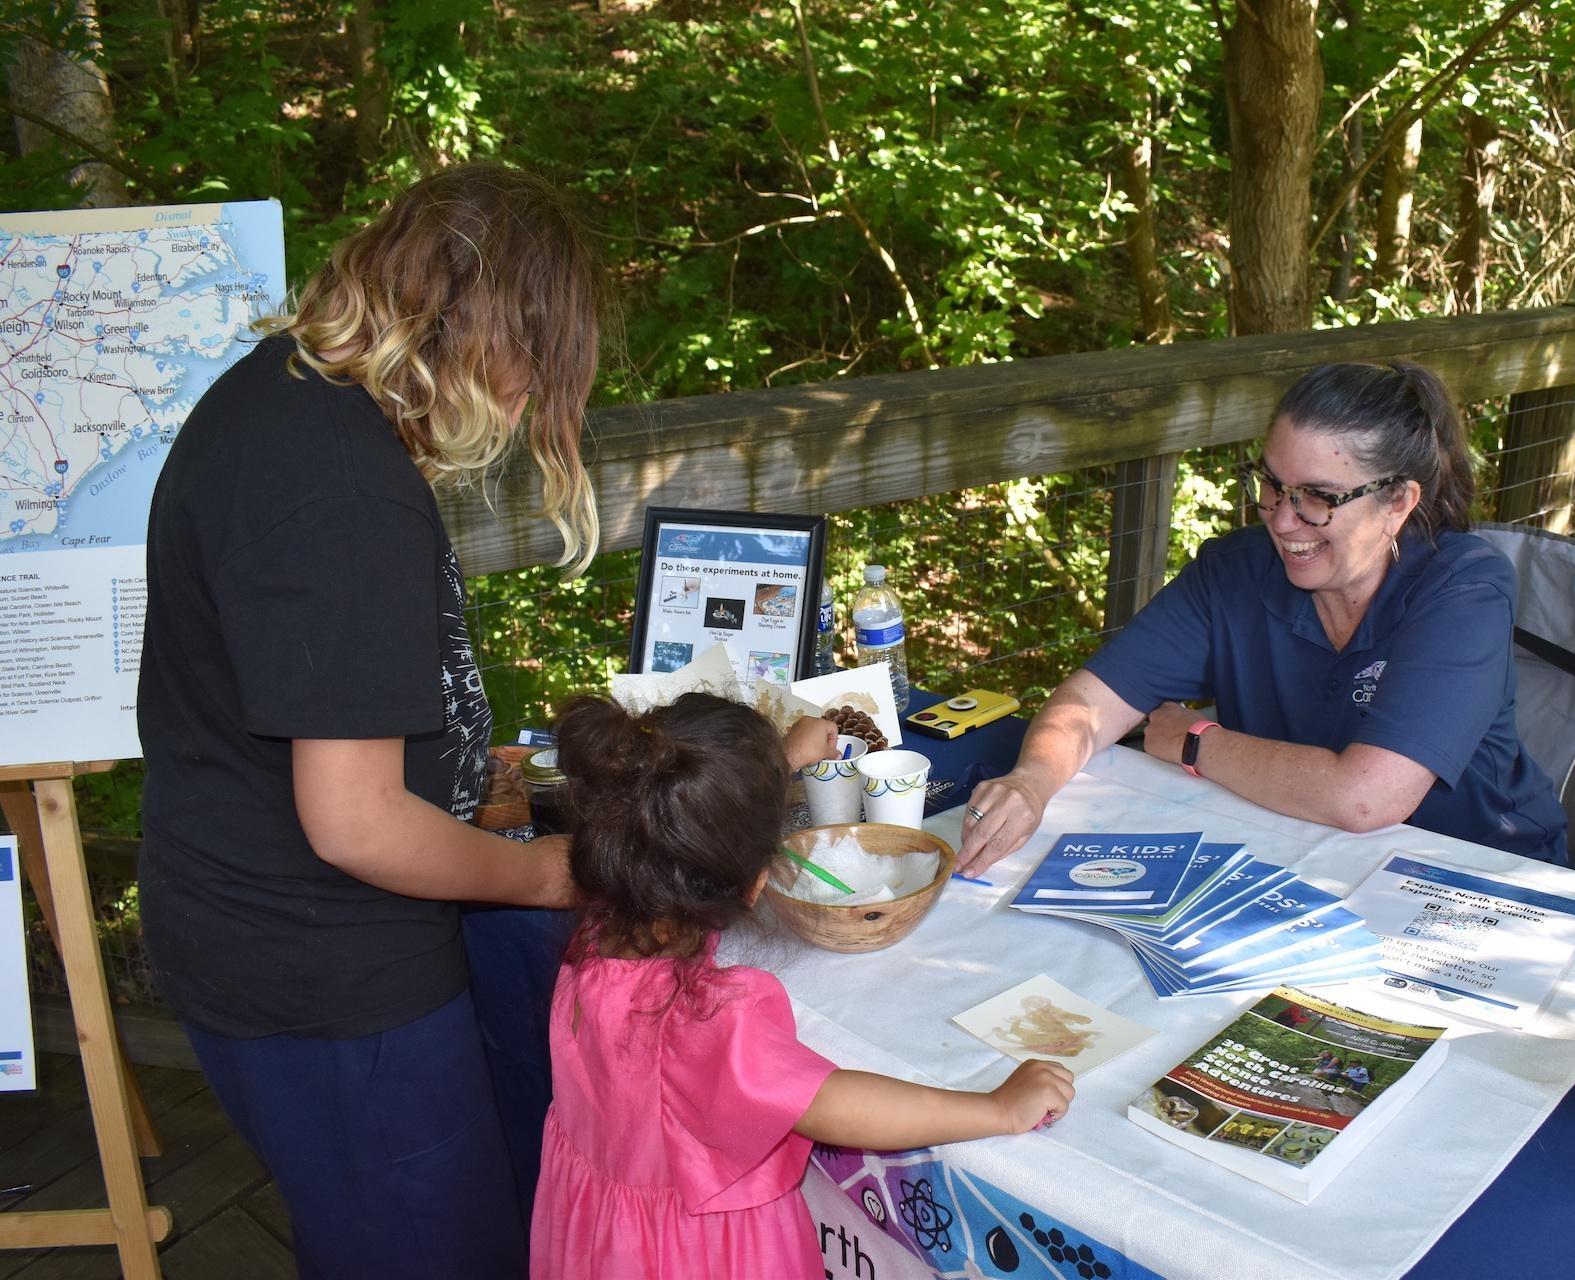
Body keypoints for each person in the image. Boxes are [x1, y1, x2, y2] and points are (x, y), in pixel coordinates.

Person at [136, 163, 610, 1279]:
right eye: (536, 361)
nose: (532, 396)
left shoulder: (282, 391)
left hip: (264, 931)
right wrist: (548, 871)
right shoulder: (339, 482)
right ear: (491, 324)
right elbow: (353, 820)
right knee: (427, 1250)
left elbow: (312, 700)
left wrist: (461, 762)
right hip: (321, 966)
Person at [532, 693, 1075, 1278]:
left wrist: (782, 757)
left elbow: (669, 809)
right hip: (699, 1253)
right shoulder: (704, 1020)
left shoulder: (593, 942)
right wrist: (996, 1108)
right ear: (755, 884)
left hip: (600, 1239)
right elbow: (836, 1106)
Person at [959, 360, 1569, 874]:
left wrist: (1196, 744)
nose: (1280, 519)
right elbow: (1090, 705)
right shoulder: (1237, 571)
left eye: (1318, 498)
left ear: (1398, 502)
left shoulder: (1463, 588)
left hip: (1480, 873)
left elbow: (1365, 797)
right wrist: (1032, 781)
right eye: (1272, 484)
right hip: (1304, 858)